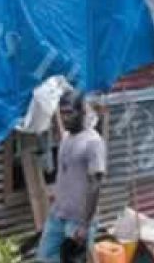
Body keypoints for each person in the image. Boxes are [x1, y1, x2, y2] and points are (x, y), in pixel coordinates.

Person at [36, 95, 107, 262]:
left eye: (69, 113)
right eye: (62, 113)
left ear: (82, 112)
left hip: (77, 221)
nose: (65, 118)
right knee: (45, 257)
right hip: (58, 215)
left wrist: (85, 224)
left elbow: (95, 184)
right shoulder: (67, 138)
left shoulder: (93, 142)